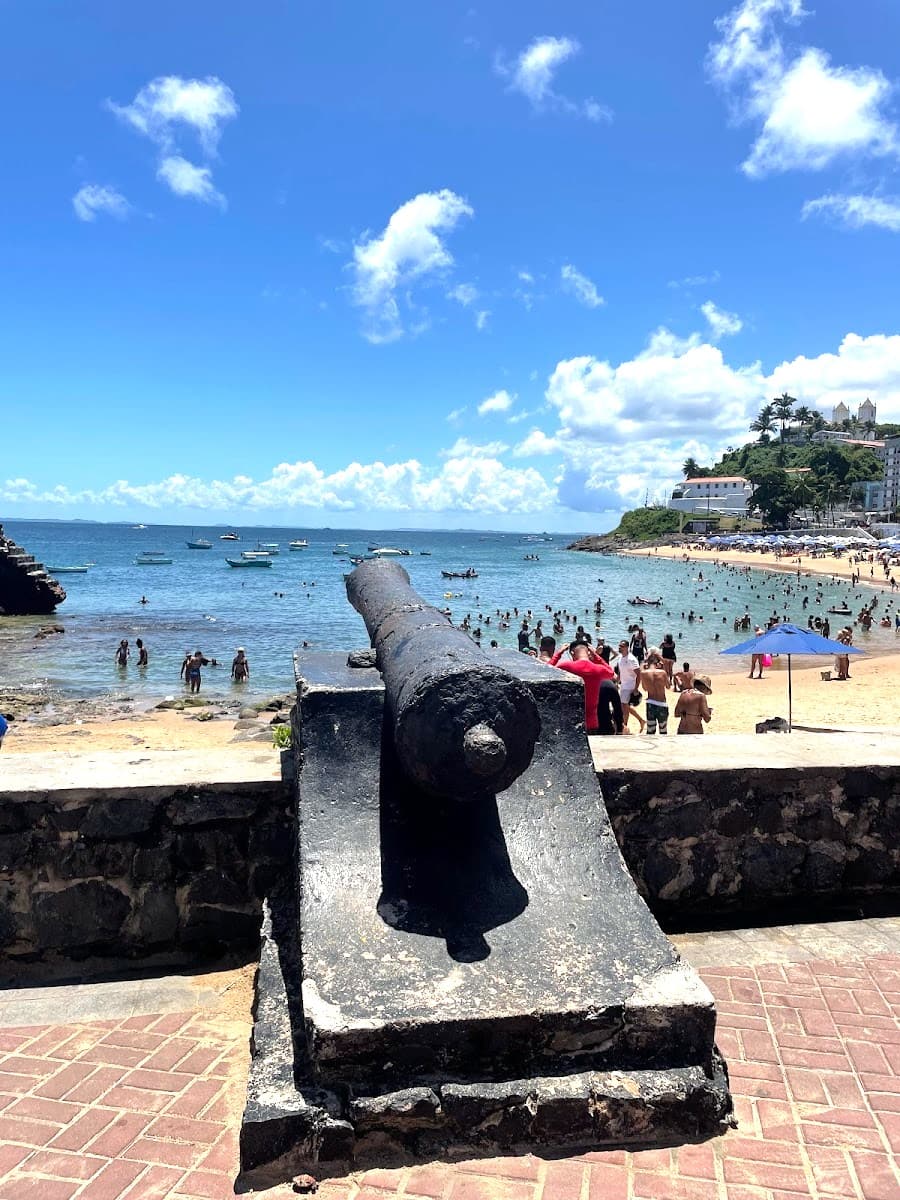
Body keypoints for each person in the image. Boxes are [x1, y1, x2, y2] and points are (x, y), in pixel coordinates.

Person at [549, 638, 615, 733]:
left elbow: (546, 669)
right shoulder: (597, 669)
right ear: (589, 652)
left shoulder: (567, 667)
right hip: (592, 722)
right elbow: (611, 672)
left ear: (572, 653)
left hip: (572, 720)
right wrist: (596, 656)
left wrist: (559, 653)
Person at [614, 639, 645, 733]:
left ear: (627, 647)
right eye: (619, 646)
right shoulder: (620, 658)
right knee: (625, 707)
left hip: (630, 686)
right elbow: (620, 672)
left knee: (624, 706)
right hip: (623, 685)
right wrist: (616, 682)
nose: (620, 647)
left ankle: (631, 724)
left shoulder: (631, 659)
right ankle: (629, 724)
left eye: (622, 646)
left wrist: (636, 688)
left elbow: (639, 674)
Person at [596, 646, 624, 735]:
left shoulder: (583, 683)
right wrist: (619, 728)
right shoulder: (609, 685)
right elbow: (617, 709)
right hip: (605, 723)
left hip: (587, 723)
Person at [641, 650, 670, 735]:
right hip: (662, 704)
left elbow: (645, 688)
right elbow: (668, 686)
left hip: (650, 704)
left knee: (650, 731)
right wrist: (663, 665)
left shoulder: (644, 673)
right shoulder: (662, 673)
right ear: (657, 663)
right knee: (663, 730)